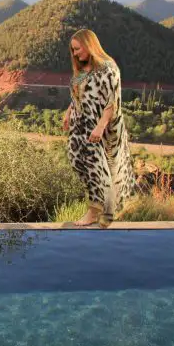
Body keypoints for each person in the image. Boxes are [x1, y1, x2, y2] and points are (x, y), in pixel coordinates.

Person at [62, 29, 136, 227]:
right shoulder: (82, 71)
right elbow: (76, 95)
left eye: (77, 49)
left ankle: (98, 212)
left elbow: (113, 102)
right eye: (73, 50)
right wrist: (69, 112)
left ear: (89, 45)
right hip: (80, 126)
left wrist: (100, 126)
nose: (75, 53)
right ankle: (100, 209)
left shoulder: (108, 69)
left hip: (99, 126)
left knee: (98, 167)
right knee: (77, 160)